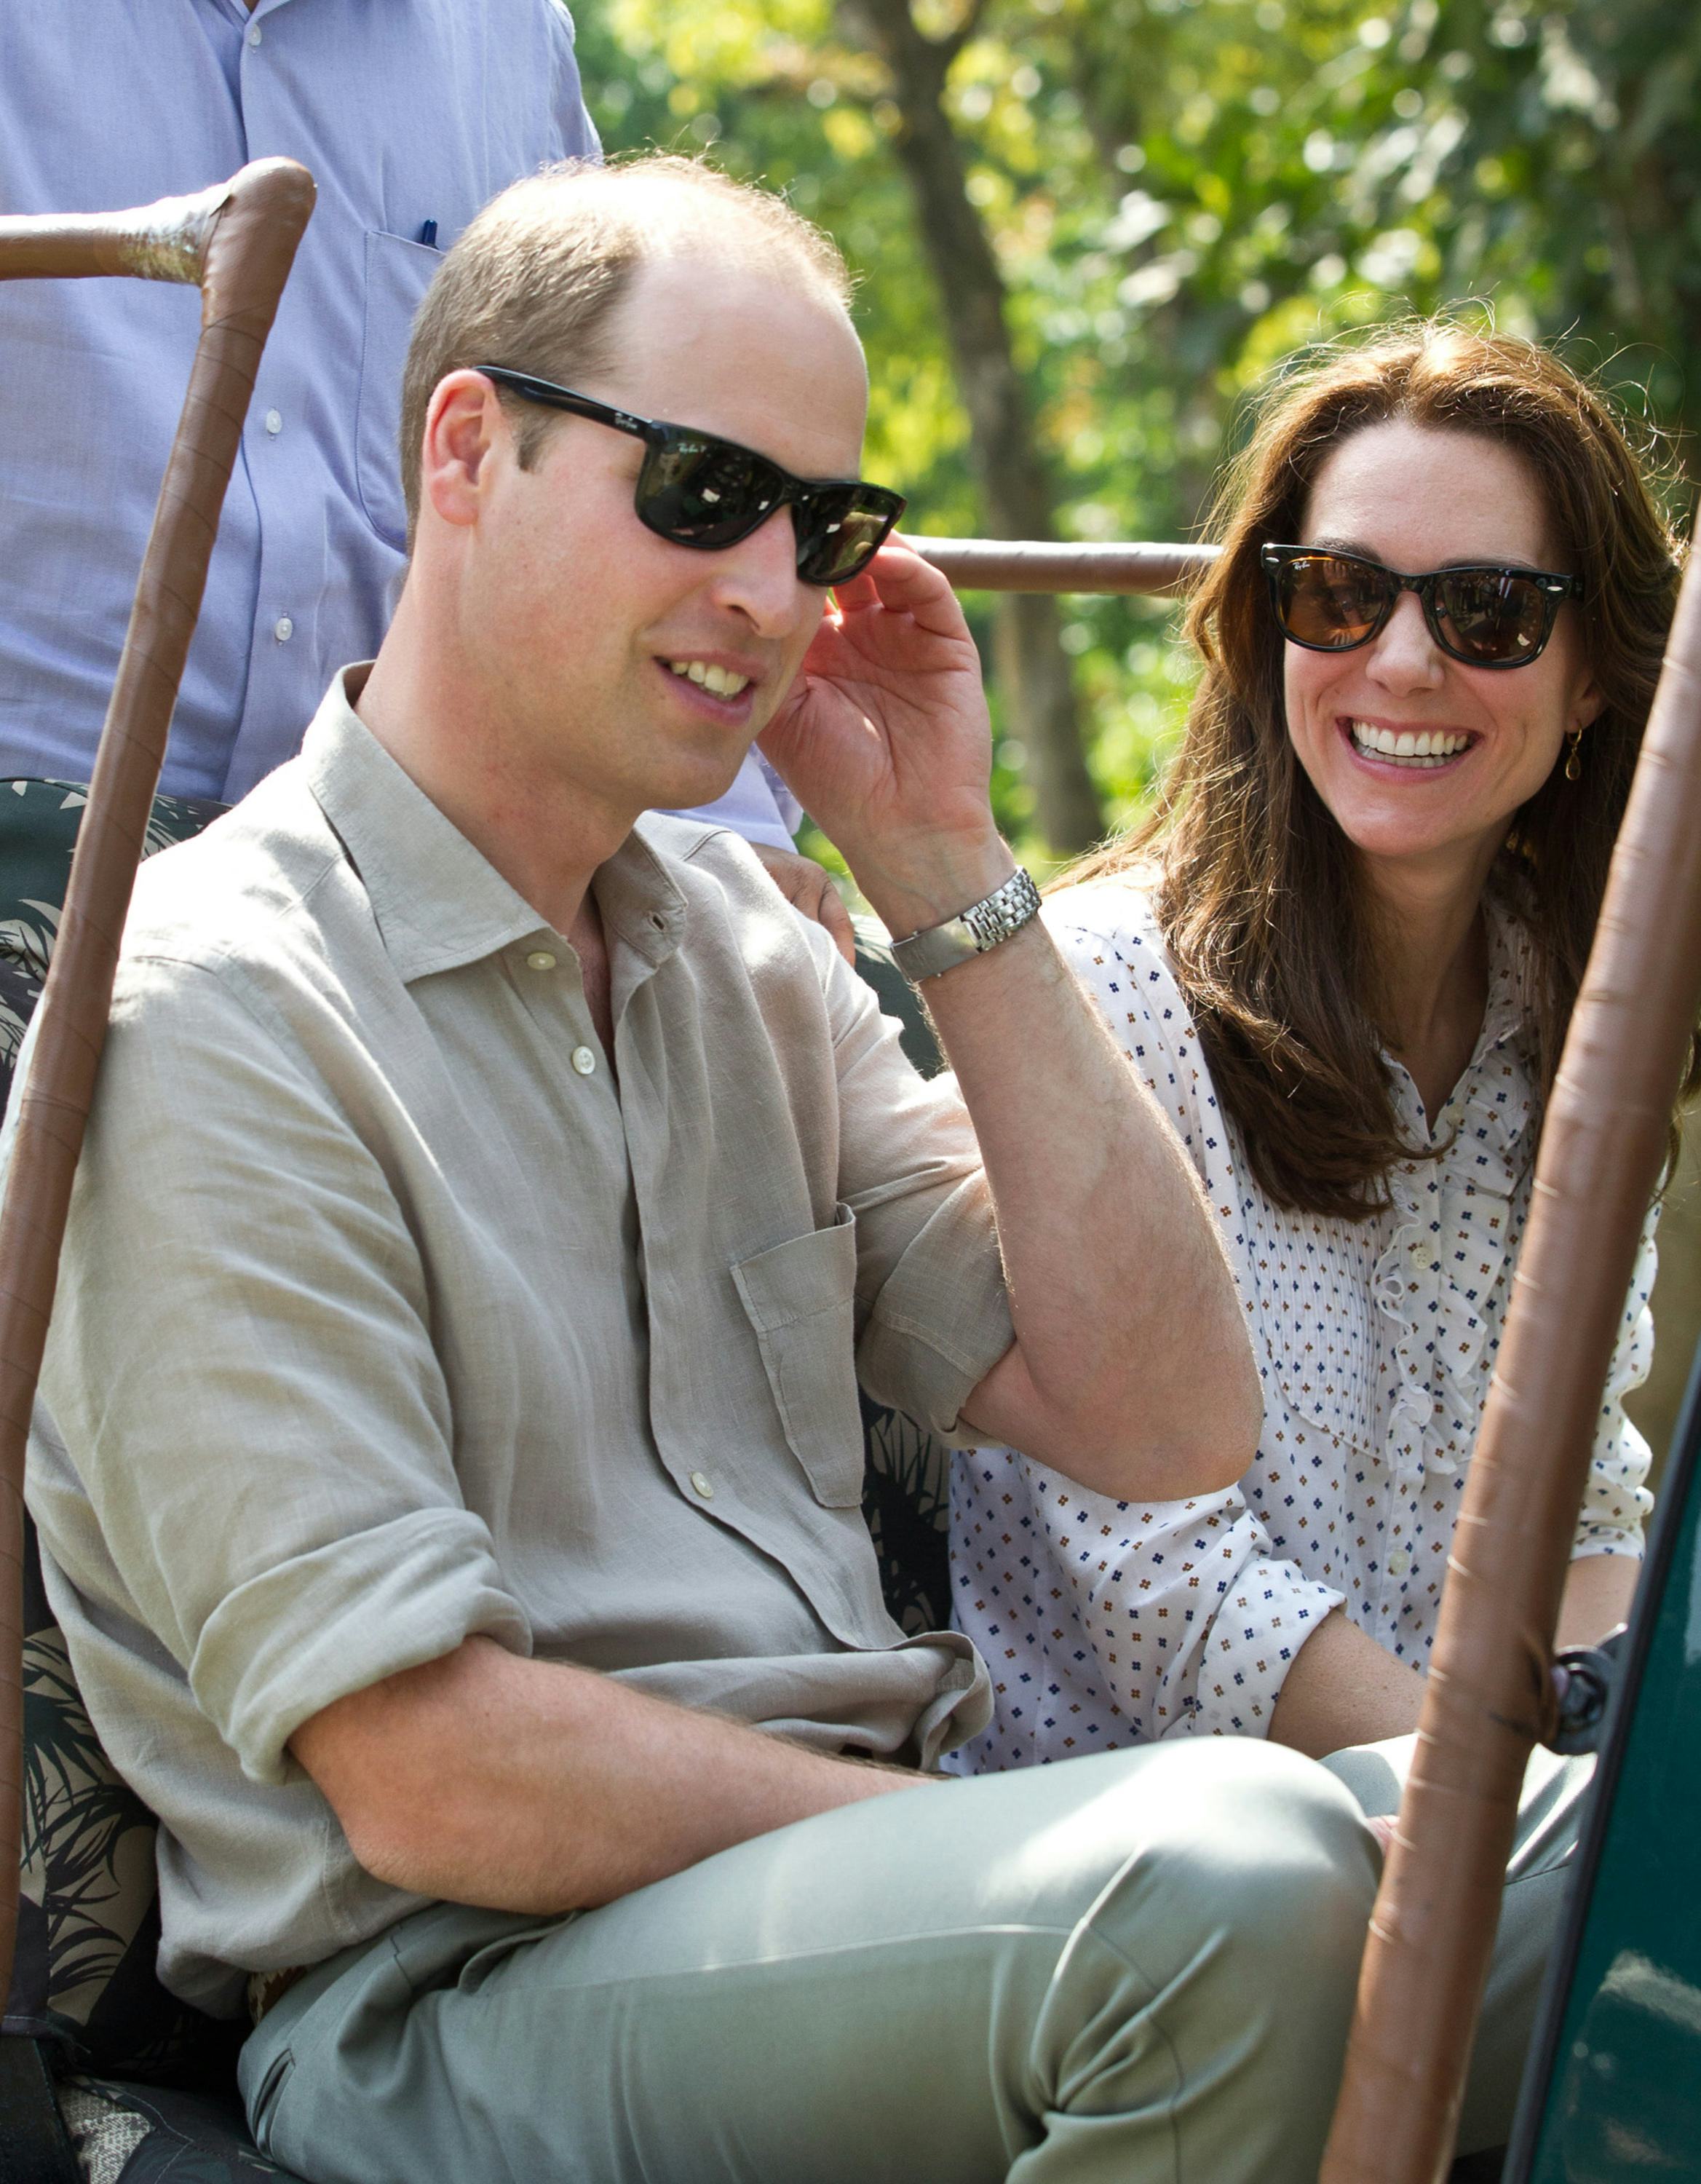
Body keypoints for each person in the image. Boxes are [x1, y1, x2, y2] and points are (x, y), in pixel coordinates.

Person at [14, 157, 1395, 2184]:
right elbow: (428, 1775)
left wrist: (937, 858)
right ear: (467, 451)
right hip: (455, 1999)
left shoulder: (752, 953)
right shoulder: (209, 1008)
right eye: (702, 491)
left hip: (869, 1911)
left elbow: (1162, 1415)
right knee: (1240, 1878)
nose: (774, 591)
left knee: (1574, 1857)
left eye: (822, 526)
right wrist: (984, 1851)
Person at [947, 328, 1686, 1749]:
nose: (1398, 663)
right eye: (1337, 594)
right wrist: (1500, 1818)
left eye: (1487, 611)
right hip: (1155, 1821)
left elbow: (1586, 1506)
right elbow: (1167, 1591)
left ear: (1592, 673)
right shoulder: (1106, 995)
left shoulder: (1578, 1018)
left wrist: (1601, 1793)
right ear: (1266, 626)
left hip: (1474, 1823)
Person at [0, 2, 843, 1104]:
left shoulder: (507, 33)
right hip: (34, 831)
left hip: (424, 869)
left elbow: (629, 383)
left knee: (856, 1045)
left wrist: (713, 832)